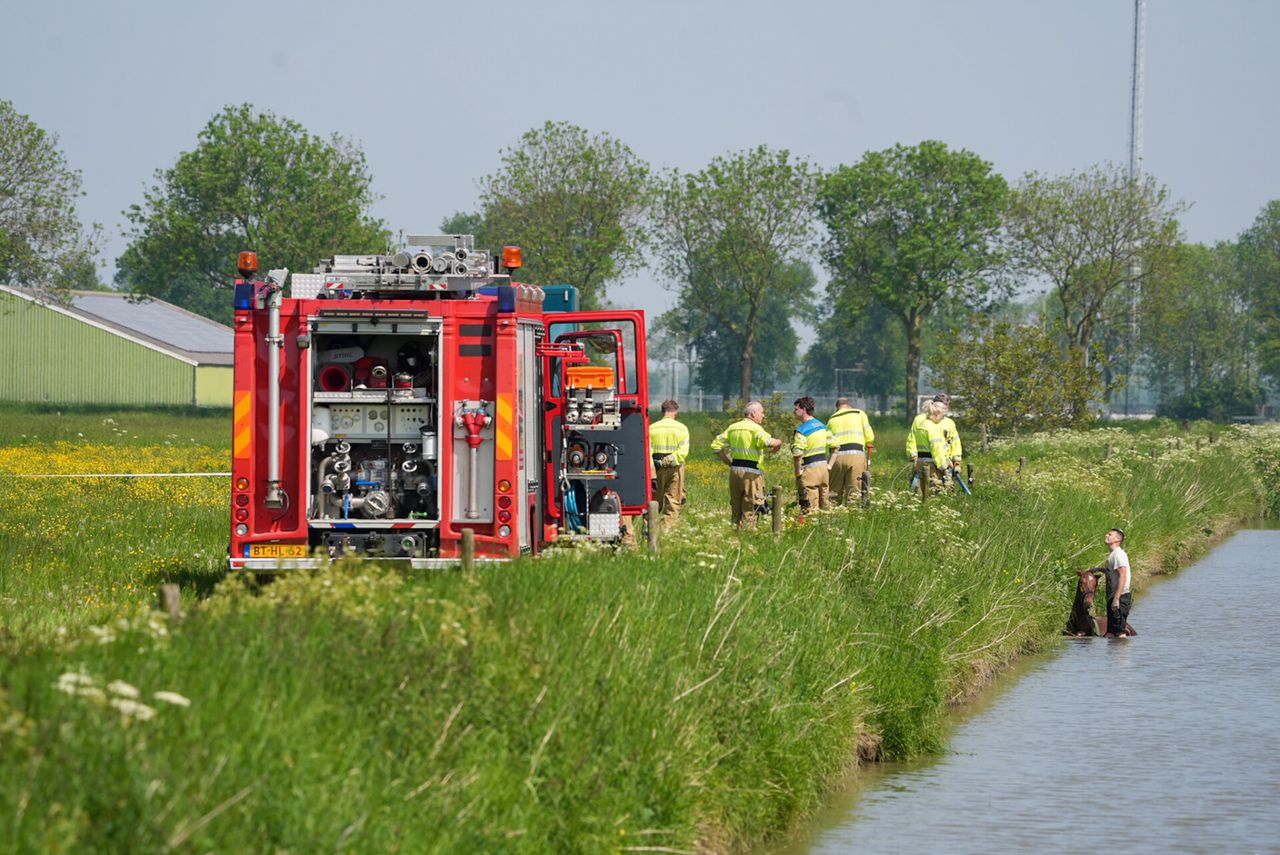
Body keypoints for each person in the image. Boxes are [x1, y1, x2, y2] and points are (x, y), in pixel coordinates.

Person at [711, 401, 782, 528]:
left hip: (734, 472)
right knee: (751, 507)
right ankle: (748, 536)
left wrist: (729, 463)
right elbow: (766, 442)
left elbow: (716, 446)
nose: (763, 416)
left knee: (736, 508)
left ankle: (734, 535)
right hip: (751, 473)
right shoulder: (756, 428)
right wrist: (779, 442)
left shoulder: (733, 427)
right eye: (762, 412)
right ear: (753, 414)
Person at [826, 397, 875, 505]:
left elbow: (828, 443)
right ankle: (852, 517)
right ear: (849, 405)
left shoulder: (831, 419)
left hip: (836, 458)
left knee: (834, 493)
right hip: (856, 456)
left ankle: (832, 516)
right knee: (854, 493)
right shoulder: (859, 414)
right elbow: (870, 437)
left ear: (837, 408)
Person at [648, 399, 690, 522]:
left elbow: (647, 451)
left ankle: (650, 531)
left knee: (654, 502)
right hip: (675, 468)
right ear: (675, 412)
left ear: (662, 412)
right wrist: (667, 461)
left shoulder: (651, 428)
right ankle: (668, 530)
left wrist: (655, 466)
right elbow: (682, 453)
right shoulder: (682, 429)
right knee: (673, 501)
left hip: (656, 469)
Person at [791, 397, 831, 515]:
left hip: (809, 470)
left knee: (809, 505)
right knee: (825, 503)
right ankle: (826, 526)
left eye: (796, 409)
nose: (794, 411)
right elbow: (836, 446)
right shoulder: (823, 426)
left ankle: (810, 529)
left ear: (803, 409)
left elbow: (798, 455)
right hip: (824, 469)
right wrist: (829, 465)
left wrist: (798, 473)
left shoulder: (802, 430)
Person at [906, 400, 952, 493]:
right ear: (936, 414)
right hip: (932, 465)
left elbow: (911, 440)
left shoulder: (921, 424)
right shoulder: (933, 427)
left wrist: (913, 456)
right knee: (934, 491)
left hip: (920, 461)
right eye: (942, 416)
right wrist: (944, 467)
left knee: (919, 490)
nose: (942, 419)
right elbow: (936, 449)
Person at [1104, 527, 1132, 637]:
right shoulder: (1113, 554)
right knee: (1112, 633)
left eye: (1109, 534)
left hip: (1120, 596)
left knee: (1119, 633)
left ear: (1117, 539)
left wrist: (1116, 599)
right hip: (1115, 596)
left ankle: (1121, 655)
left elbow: (1123, 575)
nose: (1106, 535)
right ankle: (1112, 654)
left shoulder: (1117, 554)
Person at [933, 392, 963, 479]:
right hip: (931, 462)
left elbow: (955, 443)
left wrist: (957, 462)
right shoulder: (926, 421)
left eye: (946, 406)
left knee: (948, 488)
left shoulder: (949, 423)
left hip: (947, 463)